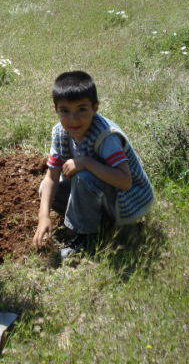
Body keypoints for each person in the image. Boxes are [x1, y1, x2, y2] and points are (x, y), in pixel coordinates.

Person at [32, 71, 154, 258]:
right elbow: (52, 177)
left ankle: (87, 238)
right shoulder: (59, 133)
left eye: (82, 109)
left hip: (123, 201)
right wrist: (43, 217)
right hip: (99, 193)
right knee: (45, 190)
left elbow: (125, 182)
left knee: (83, 177)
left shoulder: (105, 136)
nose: (73, 119)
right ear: (55, 109)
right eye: (65, 111)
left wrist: (86, 162)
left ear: (95, 107)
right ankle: (95, 221)